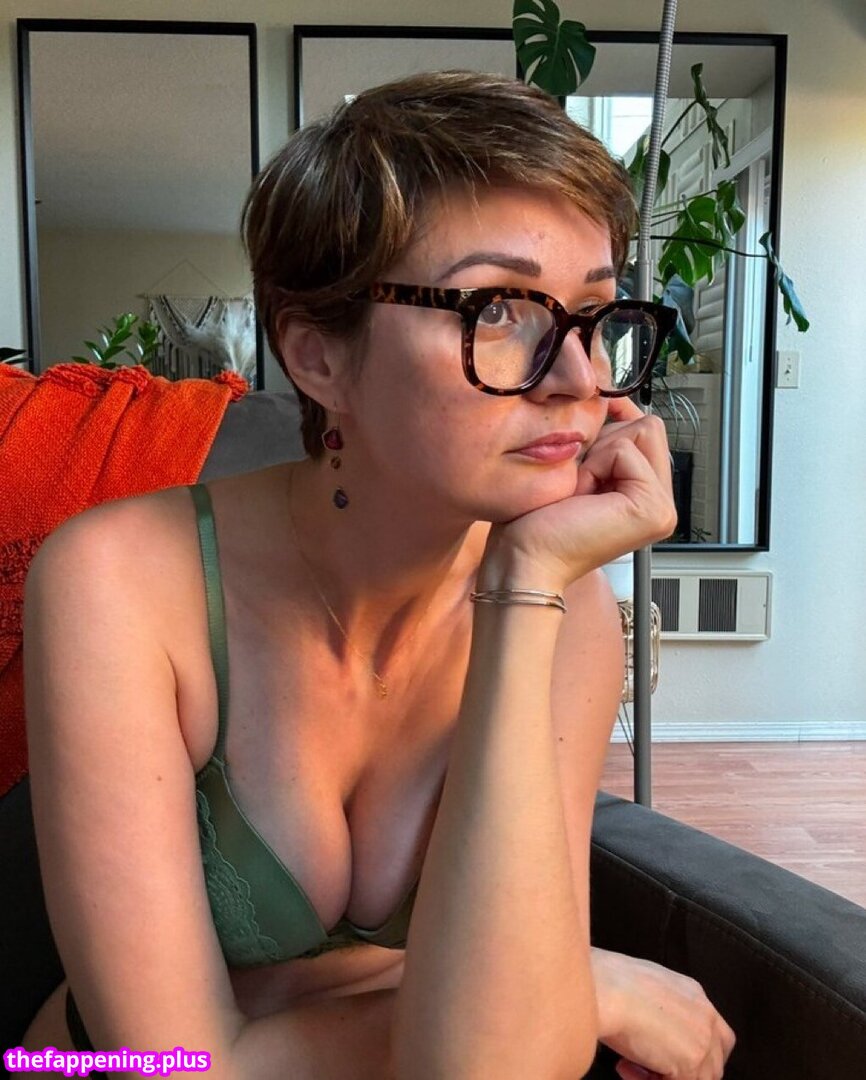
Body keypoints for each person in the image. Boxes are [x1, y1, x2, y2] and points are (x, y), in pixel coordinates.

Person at [21, 71, 735, 1079]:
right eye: (500, 310)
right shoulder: (118, 584)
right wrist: (581, 991)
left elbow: (496, 1068)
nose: (579, 379)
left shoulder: (561, 600)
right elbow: (169, 1065)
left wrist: (524, 587)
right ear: (318, 357)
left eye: (592, 314)